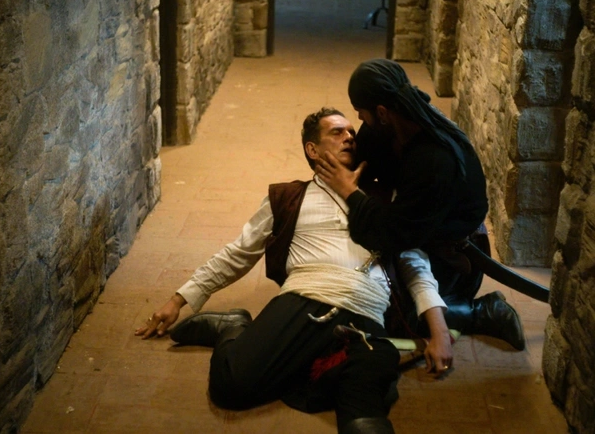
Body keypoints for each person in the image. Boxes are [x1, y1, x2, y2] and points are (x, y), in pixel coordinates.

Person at [135, 107, 453, 434]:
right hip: (302, 303)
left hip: (365, 313)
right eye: (337, 132)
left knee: (365, 402)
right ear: (312, 150)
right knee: (231, 386)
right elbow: (238, 253)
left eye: (351, 132)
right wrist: (179, 299)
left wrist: (439, 332)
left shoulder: (383, 197)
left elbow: (416, 265)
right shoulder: (288, 197)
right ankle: (232, 328)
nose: (349, 137)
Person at [314, 59, 525, 351]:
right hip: (415, 231)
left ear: (381, 112)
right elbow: (361, 168)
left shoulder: (434, 159)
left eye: (361, 112)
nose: (359, 119)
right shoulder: (386, 126)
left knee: (390, 312)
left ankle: (482, 312)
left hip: (449, 260)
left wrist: (351, 192)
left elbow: (397, 234)